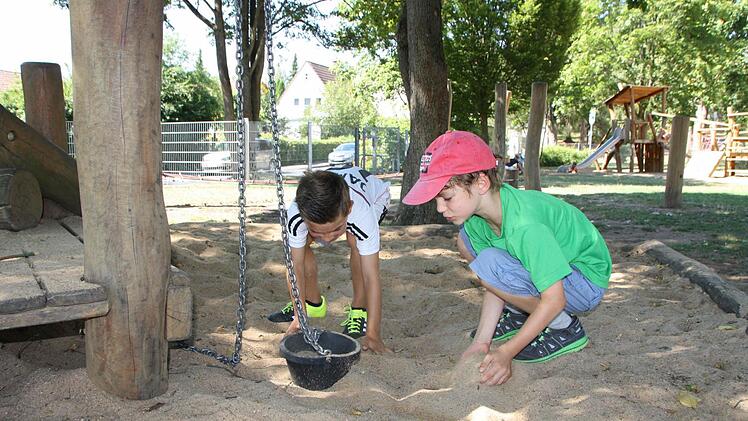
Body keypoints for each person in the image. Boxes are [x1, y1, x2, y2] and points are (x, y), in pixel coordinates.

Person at [402, 130, 611, 385]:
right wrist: (482, 342)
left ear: (480, 183)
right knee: (468, 243)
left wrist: (506, 352)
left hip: (584, 280)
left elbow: (555, 299)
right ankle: (521, 312)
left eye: (446, 197)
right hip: (556, 271)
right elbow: (494, 279)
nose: (440, 208)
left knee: (491, 261)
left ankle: (565, 328)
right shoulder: (478, 220)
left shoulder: (525, 225)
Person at [267, 166, 392, 353]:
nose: (326, 239)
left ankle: (358, 310)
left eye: (335, 229)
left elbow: (371, 276)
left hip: (374, 197)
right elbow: (295, 267)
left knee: (355, 241)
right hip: (336, 196)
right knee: (300, 244)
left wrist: (373, 334)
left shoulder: (361, 214)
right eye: (318, 231)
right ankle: (312, 304)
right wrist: (298, 316)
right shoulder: (295, 215)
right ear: (303, 215)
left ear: (348, 209)